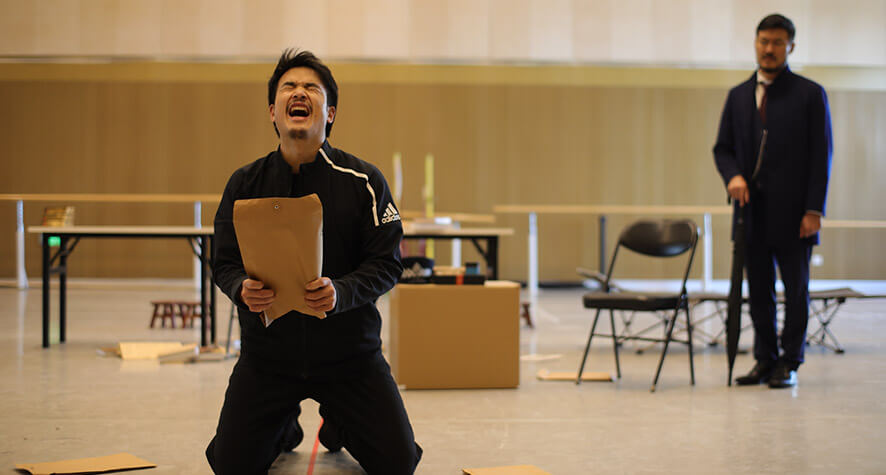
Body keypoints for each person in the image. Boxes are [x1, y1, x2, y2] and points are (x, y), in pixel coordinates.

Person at [206, 49, 422, 474]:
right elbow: (224, 262)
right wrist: (239, 288)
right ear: (273, 111)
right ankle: (283, 426)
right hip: (268, 359)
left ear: (330, 113)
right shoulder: (244, 184)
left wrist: (341, 292)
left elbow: (387, 263)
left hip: (350, 359)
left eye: (311, 88)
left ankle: (339, 422)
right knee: (229, 466)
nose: (299, 92)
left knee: (398, 465)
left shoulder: (364, 181)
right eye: (289, 86)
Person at [714, 14, 832, 389]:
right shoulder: (738, 95)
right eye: (764, 41)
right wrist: (733, 176)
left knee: (796, 291)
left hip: (796, 215)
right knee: (758, 291)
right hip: (751, 214)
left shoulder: (810, 94)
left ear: (790, 46)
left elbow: (822, 155)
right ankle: (764, 359)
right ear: (755, 43)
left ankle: (790, 361)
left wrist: (814, 209)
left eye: (777, 42)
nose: (769, 49)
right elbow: (722, 149)